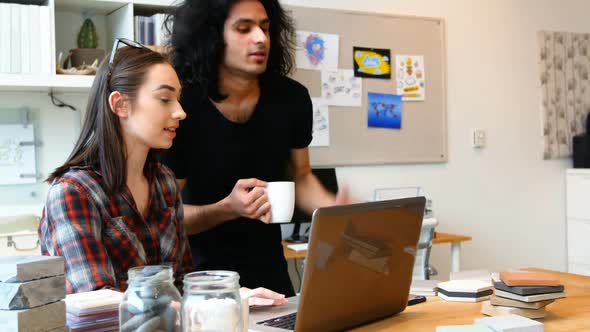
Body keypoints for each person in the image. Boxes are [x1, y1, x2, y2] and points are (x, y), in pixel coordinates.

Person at [38, 39, 288, 306]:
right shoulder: (73, 193)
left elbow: (179, 282)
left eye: (178, 99)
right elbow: (101, 307)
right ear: (121, 105)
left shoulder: (164, 182)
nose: (180, 112)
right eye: (165, 99)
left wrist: (232, 297)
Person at [165, 0, 349, 297]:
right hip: (204, 284)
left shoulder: (291, 98)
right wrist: (226, 209)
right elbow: (167, 218)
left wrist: (331, 206)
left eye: (265, 27)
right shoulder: (182, 108)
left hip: (271, 274)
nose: (261, 38)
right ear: (212, 36)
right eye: (244, 28)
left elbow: (301, 177)